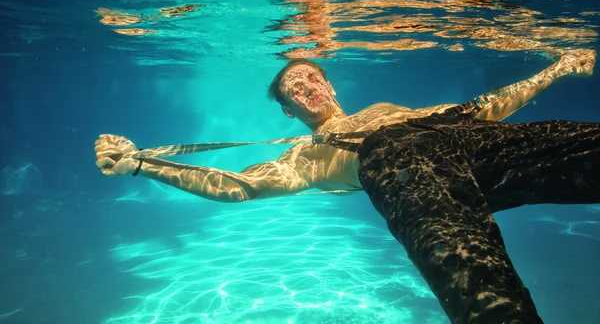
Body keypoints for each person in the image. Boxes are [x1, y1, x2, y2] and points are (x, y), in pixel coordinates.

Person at [95, 50, 597, 324]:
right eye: (295, 90)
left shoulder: (385, 107)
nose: (308, 88)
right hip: (403, 170)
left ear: (329, 85)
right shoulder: (306, 156)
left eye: (312, 78)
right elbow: (239, 185)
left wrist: (557, 67)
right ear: (289, 110)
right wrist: (143, 163)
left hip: (464, 135)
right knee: (483, 295)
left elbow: (486, 107)